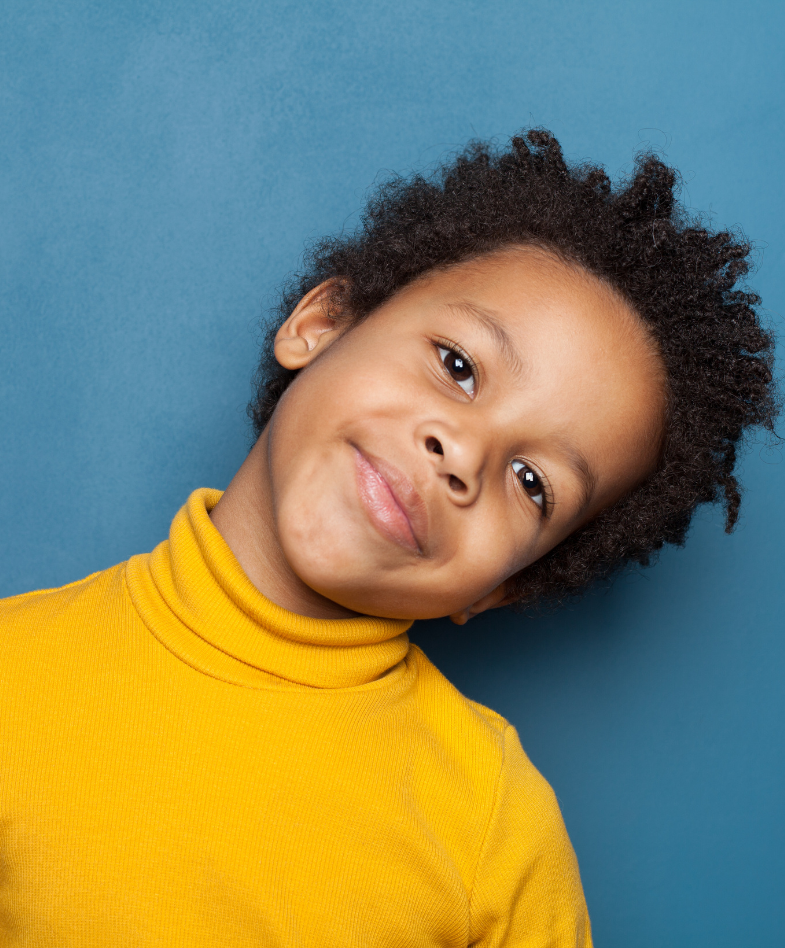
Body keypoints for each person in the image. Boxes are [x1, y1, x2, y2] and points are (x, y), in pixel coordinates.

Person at [0, 129, 777, 946]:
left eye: (531, 484)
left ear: (502, 587)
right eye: (458, 365)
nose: (464, 455)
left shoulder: (488, 822)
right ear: (322, 323)